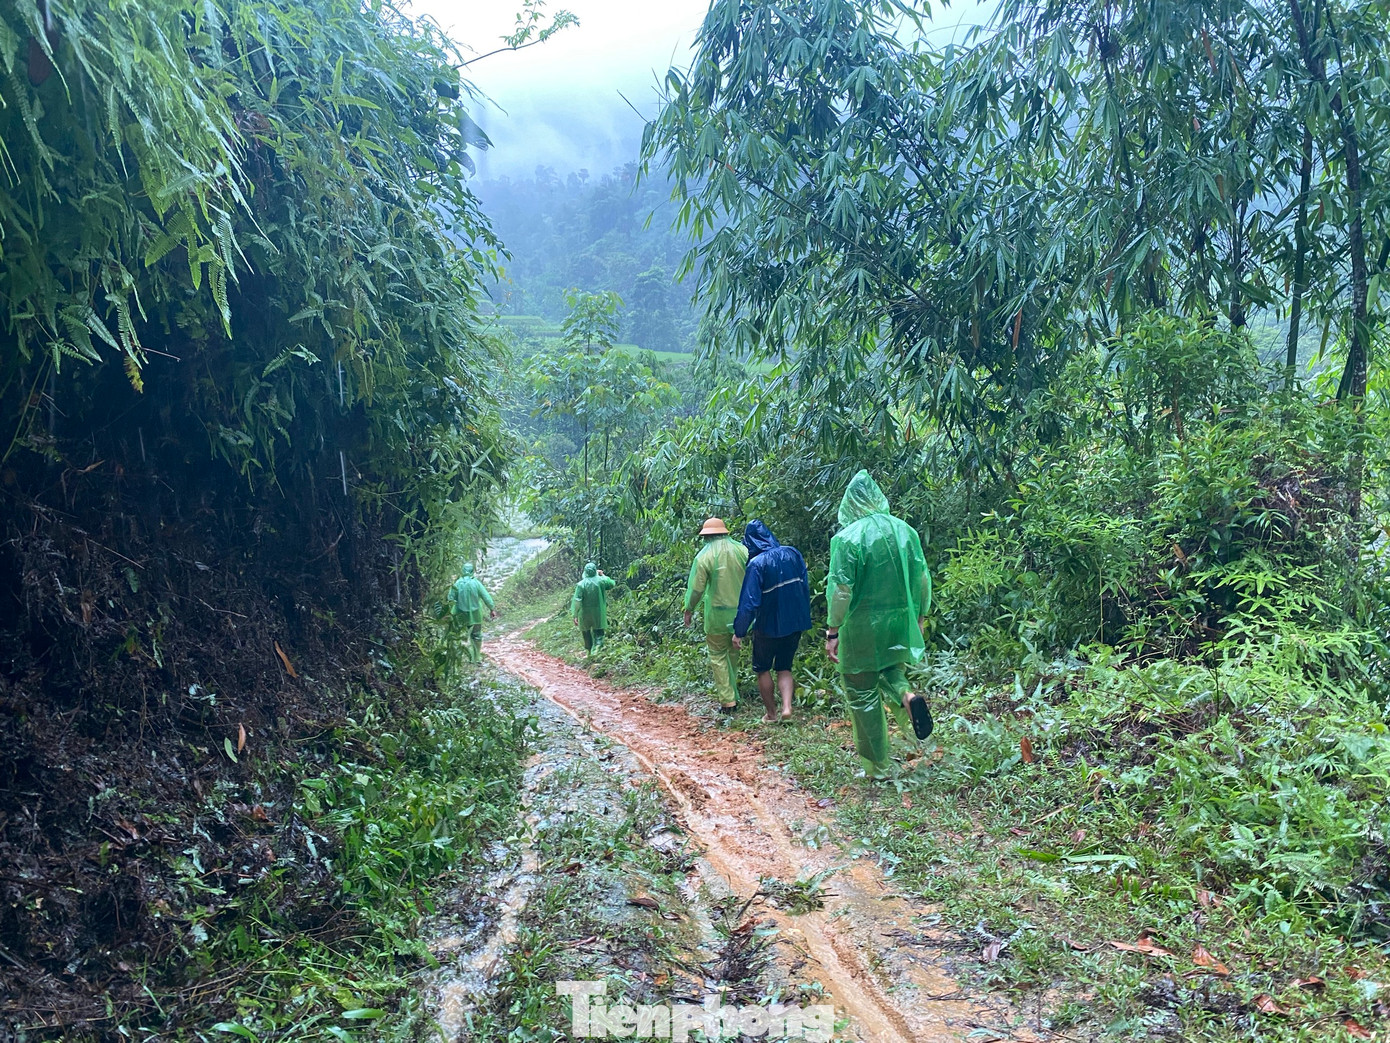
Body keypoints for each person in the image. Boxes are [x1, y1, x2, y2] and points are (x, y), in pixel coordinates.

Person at [824, 471, 933, 778]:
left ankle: (877, 767)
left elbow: (841, 590)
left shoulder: (846, 539)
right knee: (891, 670)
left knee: (861, 694)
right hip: (899, 620)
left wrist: (833, 630)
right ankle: (906, 697)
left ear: (850, 503)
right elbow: (922, 578)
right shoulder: (905, 531)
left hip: (860, 626)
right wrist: (920, 617)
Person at [732, 521, 811, 723]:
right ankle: (787, 708)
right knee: (785, 667)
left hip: (767, 626)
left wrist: (739, 631)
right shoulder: (793, 553)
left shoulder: (757, 564)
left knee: (762, 668)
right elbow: (804, 586)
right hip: (794, 623)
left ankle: (771, 714)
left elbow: (749, 602)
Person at [682, 517, 749, 713]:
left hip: (717, 614)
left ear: (706, 536)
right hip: (741, 614)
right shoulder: (743, 550)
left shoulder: (704, 556)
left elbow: (696, 589)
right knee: (733, 653)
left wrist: (689, 608)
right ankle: (733, 693)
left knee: (718, 655)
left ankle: (728, 701)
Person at [448, 563, 496, 664]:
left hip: (460, 615)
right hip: (476, 615)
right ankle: (476, 658)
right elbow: (486, 596)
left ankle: (460, 660)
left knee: (461, 636)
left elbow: (450, 598)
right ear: (472, 571)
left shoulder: (457, 583)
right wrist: (492, 608)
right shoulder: (476, 583)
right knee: (476, 636)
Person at [571, 561, 616, 654]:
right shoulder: (601, 581)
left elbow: (577, 600)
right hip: (598, 613)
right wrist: (602, 575)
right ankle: (596, 652)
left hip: (584, 613)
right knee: (599, 633)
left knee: (586, 633)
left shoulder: (581, 584)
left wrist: (575, 615)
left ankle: (589, 652)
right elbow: (611, 584)